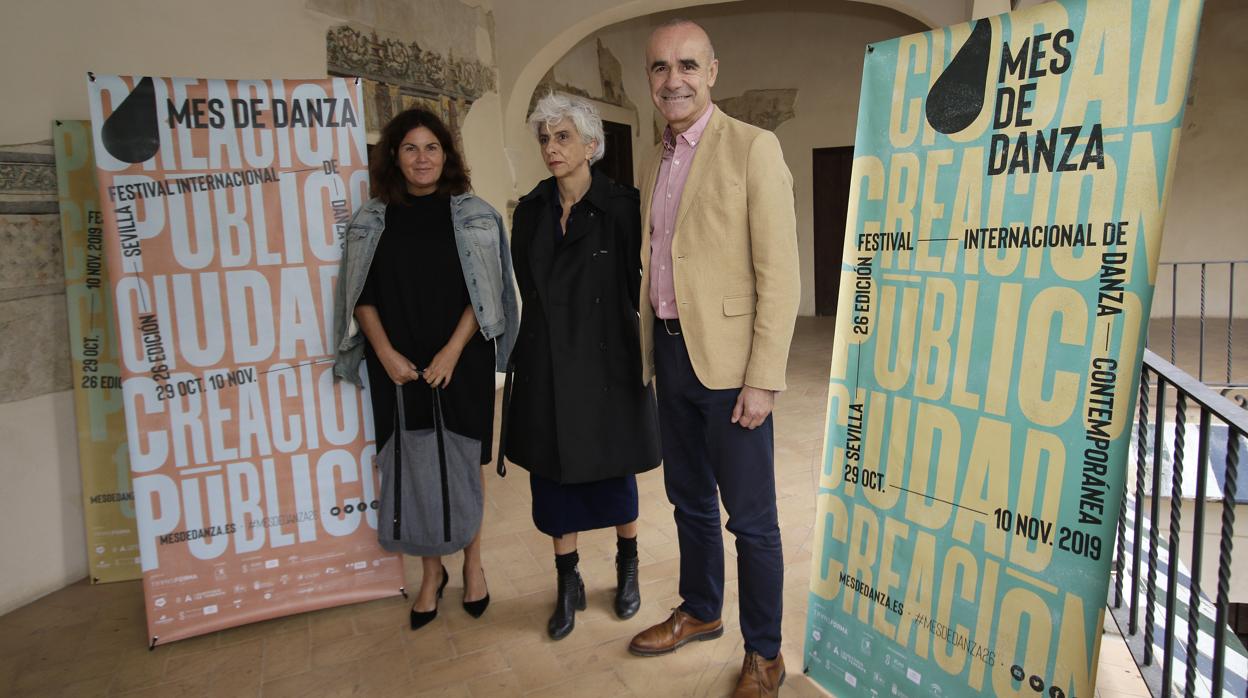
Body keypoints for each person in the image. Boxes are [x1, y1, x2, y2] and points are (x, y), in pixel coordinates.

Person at [625, 19, 800, 698]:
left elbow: (779, 276)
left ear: (713, 72)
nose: (673, 80)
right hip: (669, 355)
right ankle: (701, 610)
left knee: (751, 520)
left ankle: (765, 653)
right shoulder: (654, 155)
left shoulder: (754, 148)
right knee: (687, 500)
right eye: (660, 68)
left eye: (687, 66)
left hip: (731, 372)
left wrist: (763, 379)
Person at [332, 108, 518, 631]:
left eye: (431, 147)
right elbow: (358, 294)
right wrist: (386, 354)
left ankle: (474, 566)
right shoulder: (371, 219)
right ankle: (431, 575)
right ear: (394, 155)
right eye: (410, 148)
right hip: (395, 362)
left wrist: (452, 352)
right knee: (411, 463)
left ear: (446, 155)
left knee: (464, 462)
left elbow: (486, 294)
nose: (422, 158)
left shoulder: (477, 216)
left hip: (462, 356)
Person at [503, 93, 661, 640]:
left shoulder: (624, 206)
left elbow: (637, 281)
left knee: (615, 470)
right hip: (548, 361)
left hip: (608, 360)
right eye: (545, 138)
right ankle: (567, 582)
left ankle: (628, 566)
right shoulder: (529, 210)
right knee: (554, 478)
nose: (551, 147)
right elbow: (530, 287)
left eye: (563, 136)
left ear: (592, 146)